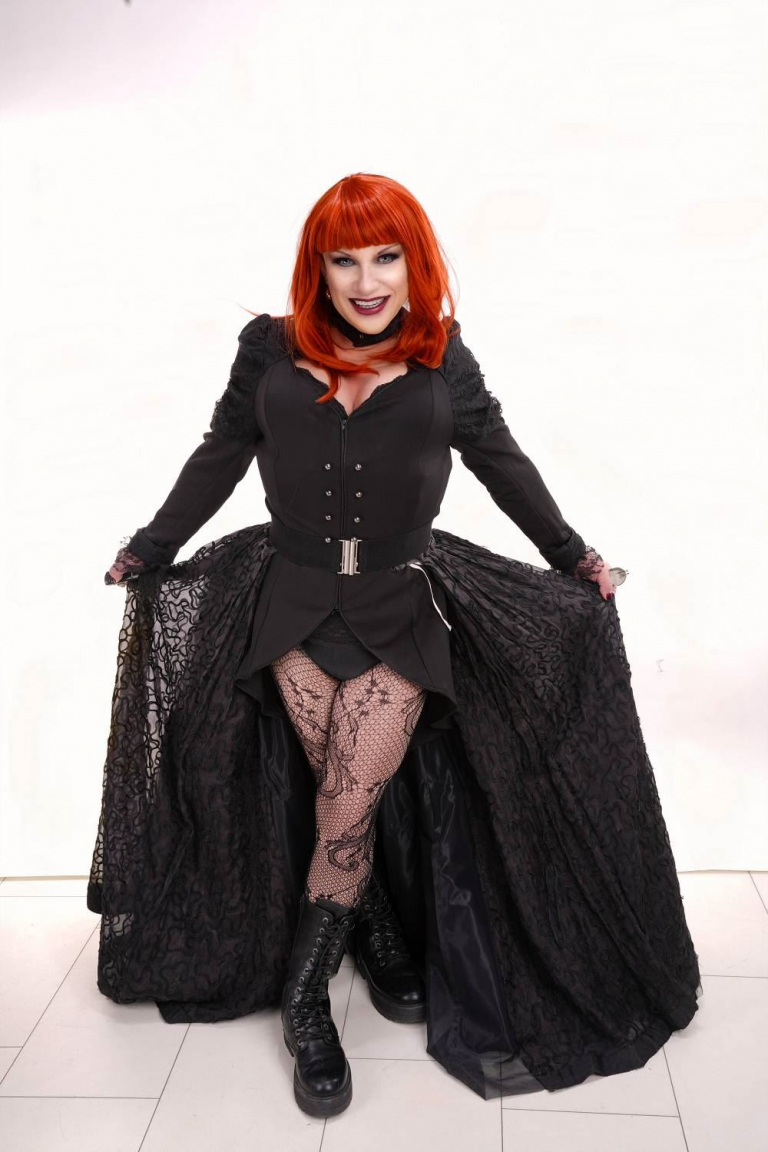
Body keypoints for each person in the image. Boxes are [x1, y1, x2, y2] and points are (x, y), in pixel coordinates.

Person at [92, 172, 701, 1119]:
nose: (367, 280)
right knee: (338, 786)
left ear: (415, 265)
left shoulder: (442, 357)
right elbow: (219, 453)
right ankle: (374, 934)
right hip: (289, 601)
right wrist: (151, 546)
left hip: (398, 609)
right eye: (345, 260)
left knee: (347, 799)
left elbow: (501, 461)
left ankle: (305, 1006)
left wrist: (574, 556)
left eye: (387, 257)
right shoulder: (269, 351)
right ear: (318, 268)